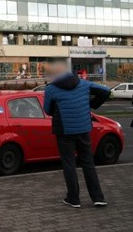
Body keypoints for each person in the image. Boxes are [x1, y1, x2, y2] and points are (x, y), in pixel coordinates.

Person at [43, 62, 111, 208]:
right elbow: (106, 91)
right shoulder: (84, 84)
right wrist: (92, 104)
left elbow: (47, 110)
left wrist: (58, 107)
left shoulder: (51, 89)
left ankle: (73, 199)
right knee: (88, 163)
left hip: (64, 132)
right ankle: (98, 197)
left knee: (69, 164)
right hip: (83, 129)